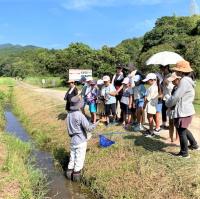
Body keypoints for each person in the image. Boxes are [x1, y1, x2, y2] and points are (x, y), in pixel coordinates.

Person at [166, 60, 199, 158]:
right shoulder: (188, 80)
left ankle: (184, 153)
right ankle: (194, 145)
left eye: (177, 70)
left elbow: (176, 96)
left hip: (183, 110)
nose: (175, 72)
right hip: (186, 109)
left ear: (181, 71)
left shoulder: (184, 81)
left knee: (181, 131)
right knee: (183, 129)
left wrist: (168, 103)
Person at [66, 96, 98, 181]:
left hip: (73, 141)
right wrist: (96, 123)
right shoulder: (80, 115)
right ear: (79, 105)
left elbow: (69, 130)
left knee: (71, 161)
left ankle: (68, 182)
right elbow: (89, 128)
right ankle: (75, 186)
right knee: (78, 164)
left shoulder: (68, 115)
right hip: (81, 141)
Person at [166, 72, 181, 142]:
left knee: (177, 124)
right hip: (172, 108)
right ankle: (170, 137)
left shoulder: (181, 88)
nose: (172, 81)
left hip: (177, 108)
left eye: (173, 80)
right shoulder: (174, 87)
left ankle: (177, 139)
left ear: (178, 79)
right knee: (171, 122)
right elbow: (172, 98)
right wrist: (169, 107)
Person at [143, 73, 158, 137]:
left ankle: (151, 132)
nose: (147, 82)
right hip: (150, 104)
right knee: (149, 117)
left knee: (150, 118)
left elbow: (149, 98)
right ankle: (150, 129)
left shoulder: (154, 87)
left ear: (152, 80)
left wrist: (144, 104)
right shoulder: (151, 86)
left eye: (148, 80)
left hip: (151, 104)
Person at [158, 65, 174, 129]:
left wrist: (167, 84)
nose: (161, 69)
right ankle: (164, 124)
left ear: (166, 68)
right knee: (163, 110)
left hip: (169, 96)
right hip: (164, 96)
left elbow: (172, 88)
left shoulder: (171, 76)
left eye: (162, 68)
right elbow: (162, 86)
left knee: (169, 112)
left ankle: (171, 125)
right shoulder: (163, 75)